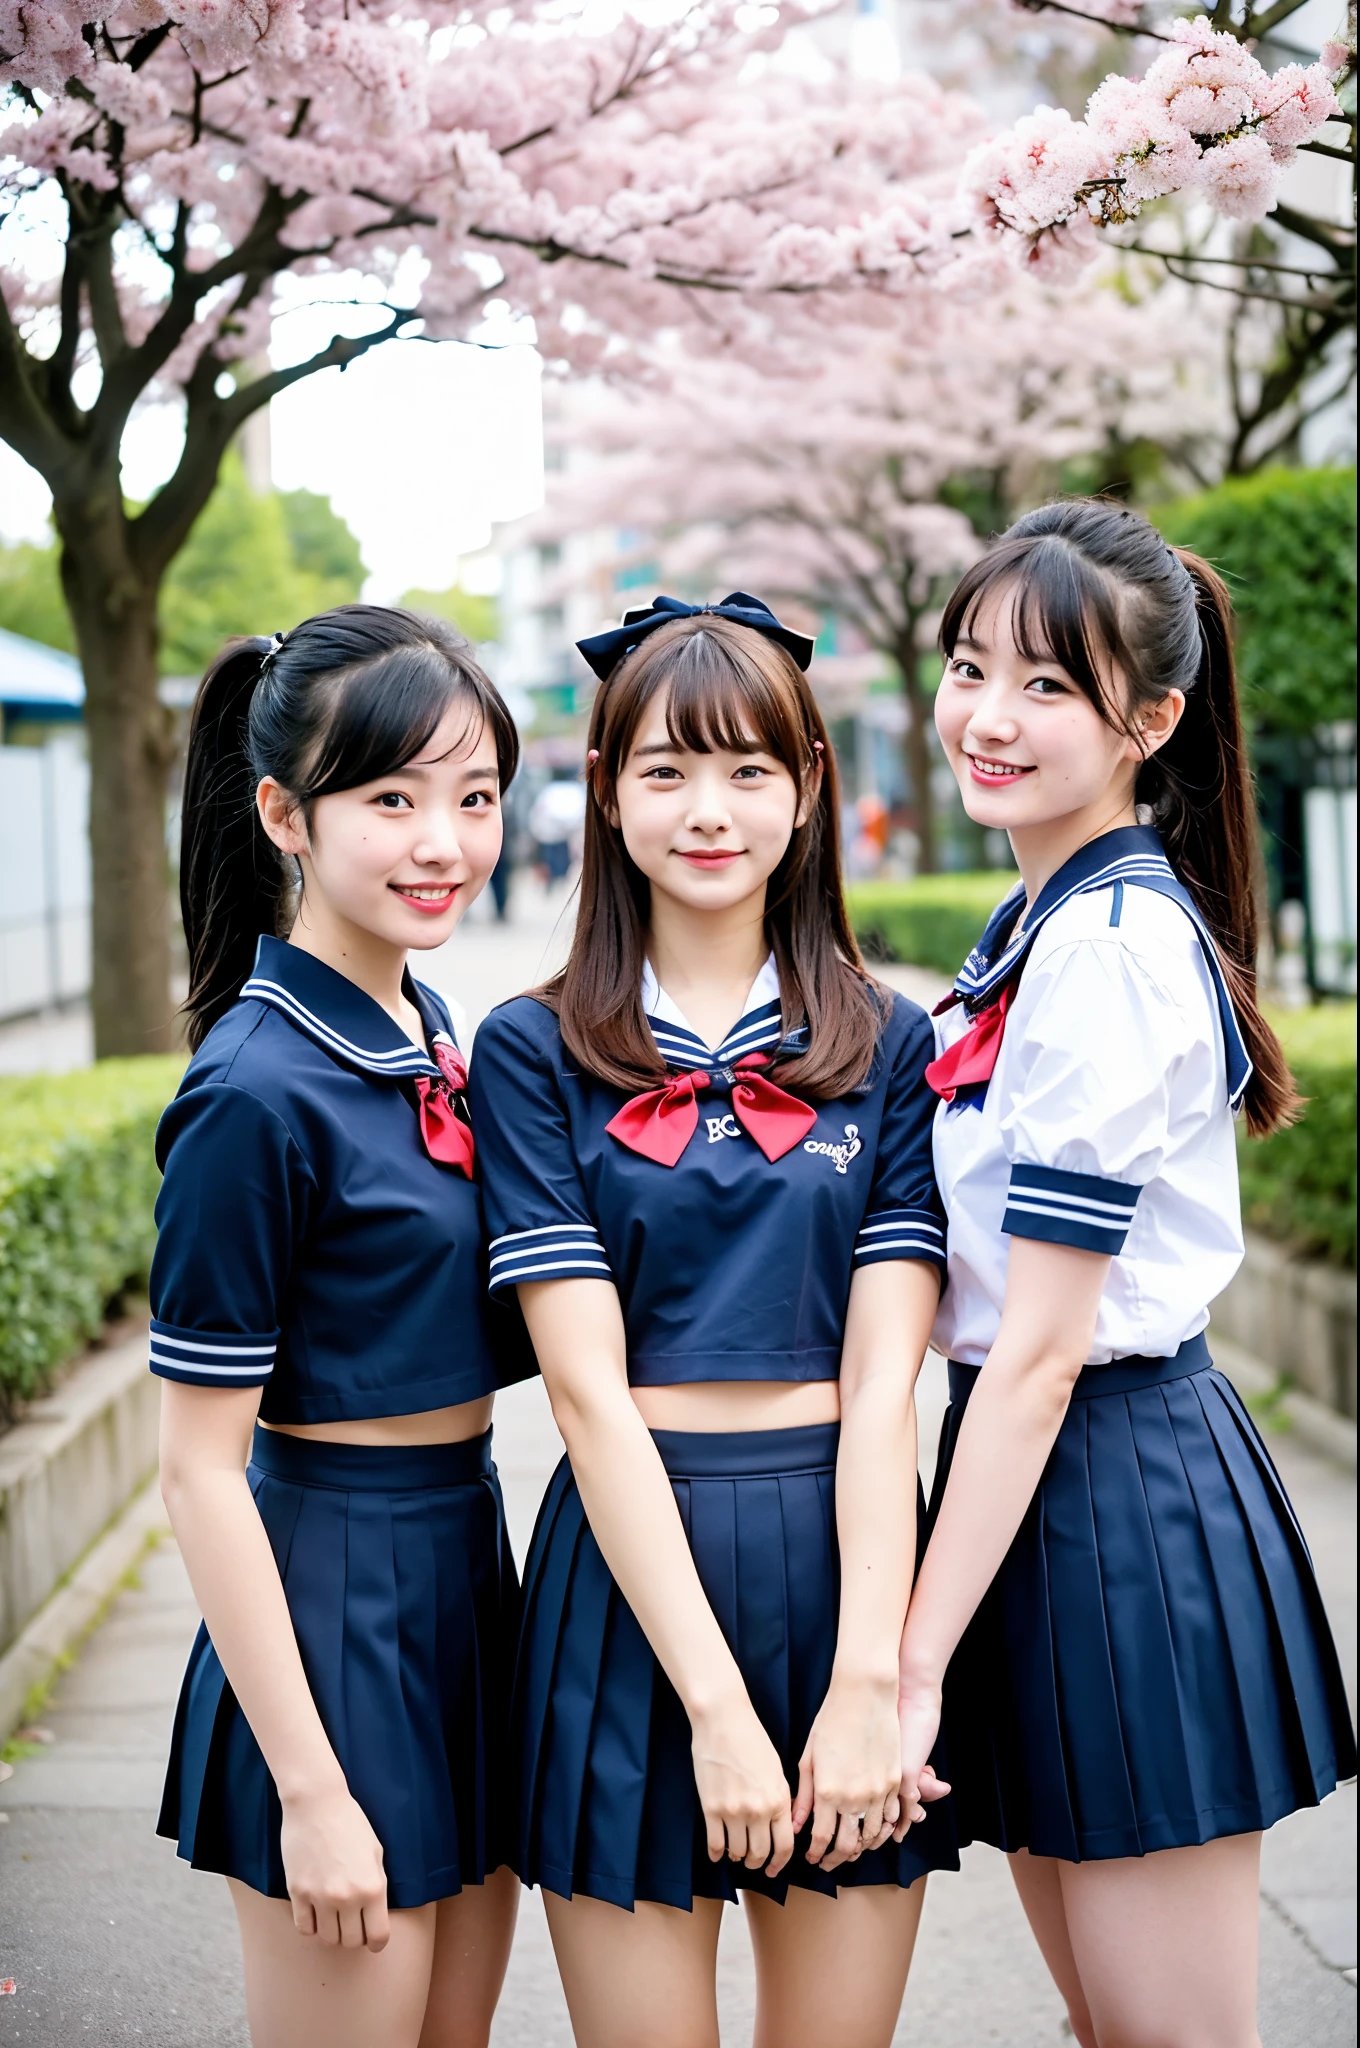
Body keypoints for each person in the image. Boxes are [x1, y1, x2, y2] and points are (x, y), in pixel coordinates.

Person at [895, 503, 1356, 2048]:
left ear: (1150, 721)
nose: (990, 716)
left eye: (1048, 685)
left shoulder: (1101, 945)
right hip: (1048, 1494)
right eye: (972, 668)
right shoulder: (1046, 915)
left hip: (1116, 1498)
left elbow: (1035, 1351)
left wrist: (905, 1665)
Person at [469, 593, 957, 2048]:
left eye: (750, 769)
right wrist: (718, 1712)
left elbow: (887, 1393)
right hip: (625, 1598)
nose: (710, 810)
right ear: (606, 793)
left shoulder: (888, 1042)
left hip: (840, 1563)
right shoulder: (532, 1050)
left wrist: (867, 1680)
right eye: (667, 771)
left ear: (810, 792)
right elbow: (585, 1400)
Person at [152, 607, 530, 2048]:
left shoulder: (425, 1024)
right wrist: (310, 1788)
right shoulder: (253, 1092)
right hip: (331, 1602)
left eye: (475, 797)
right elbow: (195, 1469)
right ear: (283, 815)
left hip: (463, 1574)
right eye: (393, 799)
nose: (444, 840)